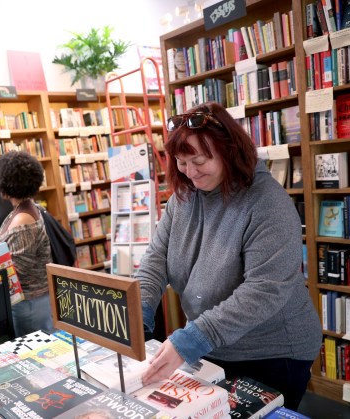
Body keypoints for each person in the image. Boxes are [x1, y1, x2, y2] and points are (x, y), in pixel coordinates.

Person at [137, 102, 321, 410]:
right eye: (181, 162)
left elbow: (264, 290)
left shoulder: (268, 203)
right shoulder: (183, 198)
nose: (190, 172)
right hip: (212, 344)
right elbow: (155, 261)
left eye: (198, 160)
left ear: (228, 151)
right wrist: (137, 315)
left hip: (272, 351)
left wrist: (192, 339)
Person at [0, 151, 54, 335]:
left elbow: (14, 270)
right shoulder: (24, 209)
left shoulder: (23, 221)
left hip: (30, 303)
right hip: (31, 301)